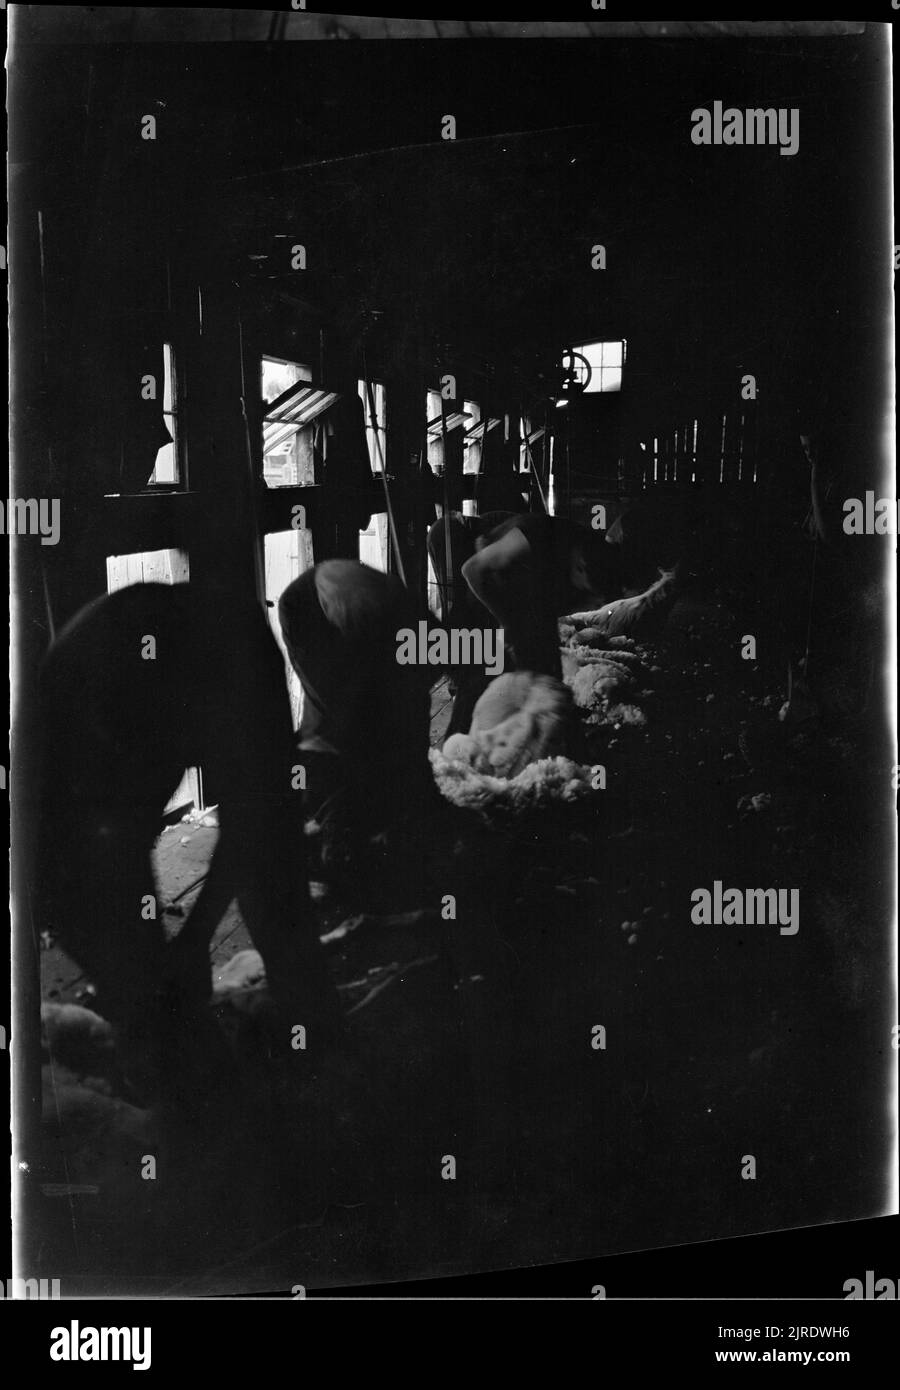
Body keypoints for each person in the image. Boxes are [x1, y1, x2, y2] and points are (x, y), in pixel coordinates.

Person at [428, 510, 623, 733]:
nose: (585, 599)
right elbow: (472, 569)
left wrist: (553, 688)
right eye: (584, 588)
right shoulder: (540, 536)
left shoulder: (591, 558)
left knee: (525, 645)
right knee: (481, 655)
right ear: (578, 565)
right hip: (455, 537)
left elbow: (544, 622)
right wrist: (507, 623)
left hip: (494, 556)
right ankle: (460, 741)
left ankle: (543, 717)